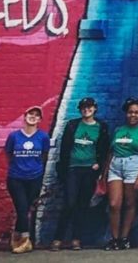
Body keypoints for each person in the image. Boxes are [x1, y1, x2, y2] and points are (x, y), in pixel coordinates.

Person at [52, 97, 109, 251]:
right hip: (72, 169)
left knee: (82, 205)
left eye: (89, 107)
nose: (86, 110)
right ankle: (58, 238)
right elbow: (64, 149)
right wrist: (63, 168)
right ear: (80, 109)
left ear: (95, 109)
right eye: (84, 107)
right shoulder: (72, 125)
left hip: (89, 170)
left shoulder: (101, 127)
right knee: (69, 203)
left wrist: (99, 163)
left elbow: (104, 149)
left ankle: (76, 239)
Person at [104, 98, 138, 251]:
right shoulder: (119, 130)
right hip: (116, 165)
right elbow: (111, 152)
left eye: (137, 113)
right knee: (114, 204)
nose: (133, 115)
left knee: (130, 203)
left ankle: (124, 238)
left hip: (134, 165)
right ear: (126, 113)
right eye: (131, 112)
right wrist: (104, 173)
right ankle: (114, 238)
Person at [4, 105, 51, 254]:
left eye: (37, 115)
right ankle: (25, 241)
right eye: (31, 114)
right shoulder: (14, 136)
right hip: (16, 178)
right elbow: (9, 154)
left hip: (34, 178)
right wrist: (19, 167)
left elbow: (44, 155)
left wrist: (36, 170)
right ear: (24, 117)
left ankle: (16, 236)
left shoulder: (43, 137)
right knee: (22, 208)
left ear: (40, 120)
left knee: (25, 210)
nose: (33, 117)